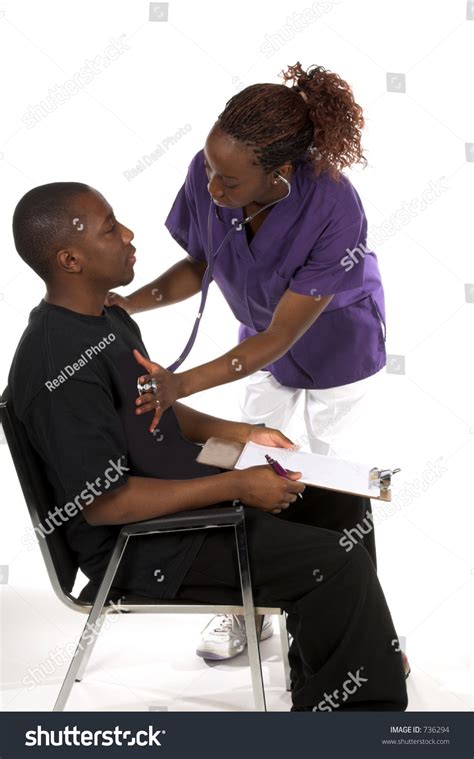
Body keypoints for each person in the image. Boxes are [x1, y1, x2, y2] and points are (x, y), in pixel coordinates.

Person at [8, 182, 408, 711]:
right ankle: (352, 721)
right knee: (337, 562)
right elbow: (108, 502)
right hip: (144, 543)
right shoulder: (57, 363)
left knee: (341, 501)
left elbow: (155, 409)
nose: (129, 235)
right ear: (70, 259)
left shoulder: (109, 319)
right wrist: (239, 483)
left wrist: (246, 437)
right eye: (110, 228)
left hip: (180, 491)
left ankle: (340, 664)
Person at [106, 62, 403, 667]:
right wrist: (126, 303)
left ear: (281, 172)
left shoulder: (335, 205)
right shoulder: (212, 170)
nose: (213, 188)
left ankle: (368, 636)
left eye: (230, 182)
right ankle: (248, 608)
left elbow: (281, 335)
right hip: (254, 343)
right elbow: (200, 263)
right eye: (211, 171)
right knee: (258, 465)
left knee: (339, 487)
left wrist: (178, 385)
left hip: (337, 348)